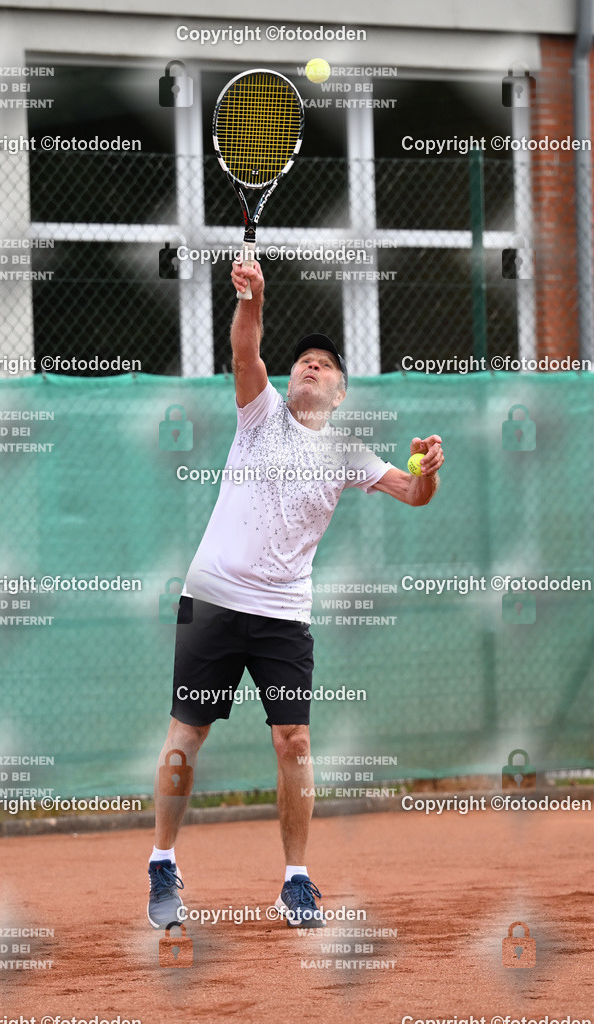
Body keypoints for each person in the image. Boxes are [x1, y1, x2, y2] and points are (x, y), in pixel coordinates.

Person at [148, 258, 444, 930]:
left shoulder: (347, 452)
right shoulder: (261, 415)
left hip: (282, 615)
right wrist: (253, 297)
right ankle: (162, 860)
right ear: (288, 381)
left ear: (339, 394)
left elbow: (413, 493)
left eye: (325, 364)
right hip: (213, 600)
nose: (312, 365)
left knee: (295, 742)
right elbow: (244, 349)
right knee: (187, 733)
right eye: (304, 361)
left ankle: (295, 881)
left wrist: (428, 470)